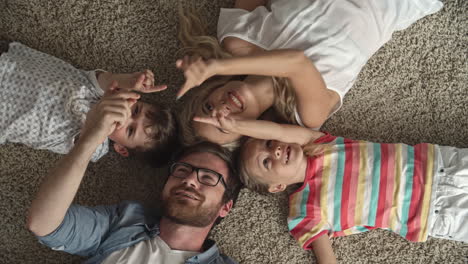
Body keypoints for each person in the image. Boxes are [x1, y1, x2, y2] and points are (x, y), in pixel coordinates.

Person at [202, 114, 467, 263]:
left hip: (439, 165)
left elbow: (278, 128)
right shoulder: (304, 212)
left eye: (271, 143)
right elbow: (326, 258)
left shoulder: (321, 144)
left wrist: (237, 126)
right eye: (267, 161)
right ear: (277, 187)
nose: (277, 149)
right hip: (434, 212)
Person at [175, 0, 443, 148]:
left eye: (208, 106)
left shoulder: (235, 40)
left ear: (208, 89)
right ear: (245, 132)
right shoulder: (306, 115)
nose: (221, 109)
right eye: (222, 124)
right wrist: (219, 66)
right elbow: (296, 63)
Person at [26, 97, 242, 263]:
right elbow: (43, 223)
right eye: (182, 170)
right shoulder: (126, 220)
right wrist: (91, 138)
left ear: (226, 206)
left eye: (208, 177)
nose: (190, 180)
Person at [0, 42, 177, 164]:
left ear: (121, 149)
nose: (127, 115)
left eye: (130, 129)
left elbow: (82, 146)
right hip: (9, 66)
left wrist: (100, 125)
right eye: (136, 110)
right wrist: (129, 81)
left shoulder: (96, 147)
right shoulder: (105, 90)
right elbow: (108, 79)